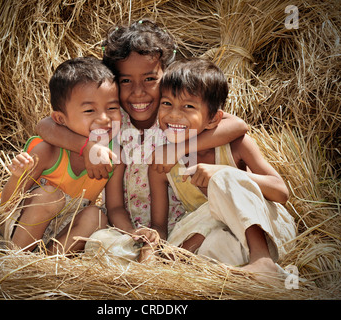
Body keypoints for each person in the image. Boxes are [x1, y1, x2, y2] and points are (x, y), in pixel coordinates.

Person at [35, 20, 248, 255]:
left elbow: (238, 125)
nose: (138, 92)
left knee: (211, 238)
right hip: (122, 228)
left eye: (149, 79)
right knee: (101, 248)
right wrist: (86, 148)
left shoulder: (175, 116)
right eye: (125, 81)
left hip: (179, 227)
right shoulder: (112, 122)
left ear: (166, 76)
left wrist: (179, 149)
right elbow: (44, 125)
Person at [148, 58, 297, 279]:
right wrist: (150, 244)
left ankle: (262, 261)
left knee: (223, 179)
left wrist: (225, 174)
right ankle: (260, 278)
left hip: (268, 231)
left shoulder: (236, 145)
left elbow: (281, 193)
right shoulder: (162, 164)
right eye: (167, 103)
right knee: (213, 245)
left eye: (188, 106)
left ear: (213, 119)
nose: (174, 115)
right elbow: (159, 226)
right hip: (222, 239)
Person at [0, 57, 125, 254]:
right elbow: (7, 204)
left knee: (97, 216)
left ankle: (46, 266)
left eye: (112, 108)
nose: (104, 118)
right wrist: (16, 177)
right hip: (20, 228)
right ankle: (15, 260)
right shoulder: (47, 151)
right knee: (50, 195)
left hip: (60, 232)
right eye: (90, 110)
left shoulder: (113, 156)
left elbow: (114, 206)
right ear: (60, 119)